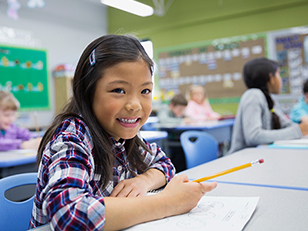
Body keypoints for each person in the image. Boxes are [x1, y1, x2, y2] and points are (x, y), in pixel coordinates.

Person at [29, 34, 217, 230]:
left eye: (145, 91)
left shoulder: (121, 137)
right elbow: (69, 214)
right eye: (119, 90)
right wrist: (168, 203)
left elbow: (164, 164)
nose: (135, 105)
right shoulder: (73, 138)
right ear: (88, 91)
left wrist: (143, 181)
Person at [227, 57, 308, 154]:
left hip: (261, 156)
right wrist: (298, 130)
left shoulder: (270, 99)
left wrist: (301, 129)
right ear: (271, 78)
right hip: (243, 161)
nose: (280, 79)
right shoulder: (253, 95)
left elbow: (285, 125)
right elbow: (254, 136)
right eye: (278, 74)